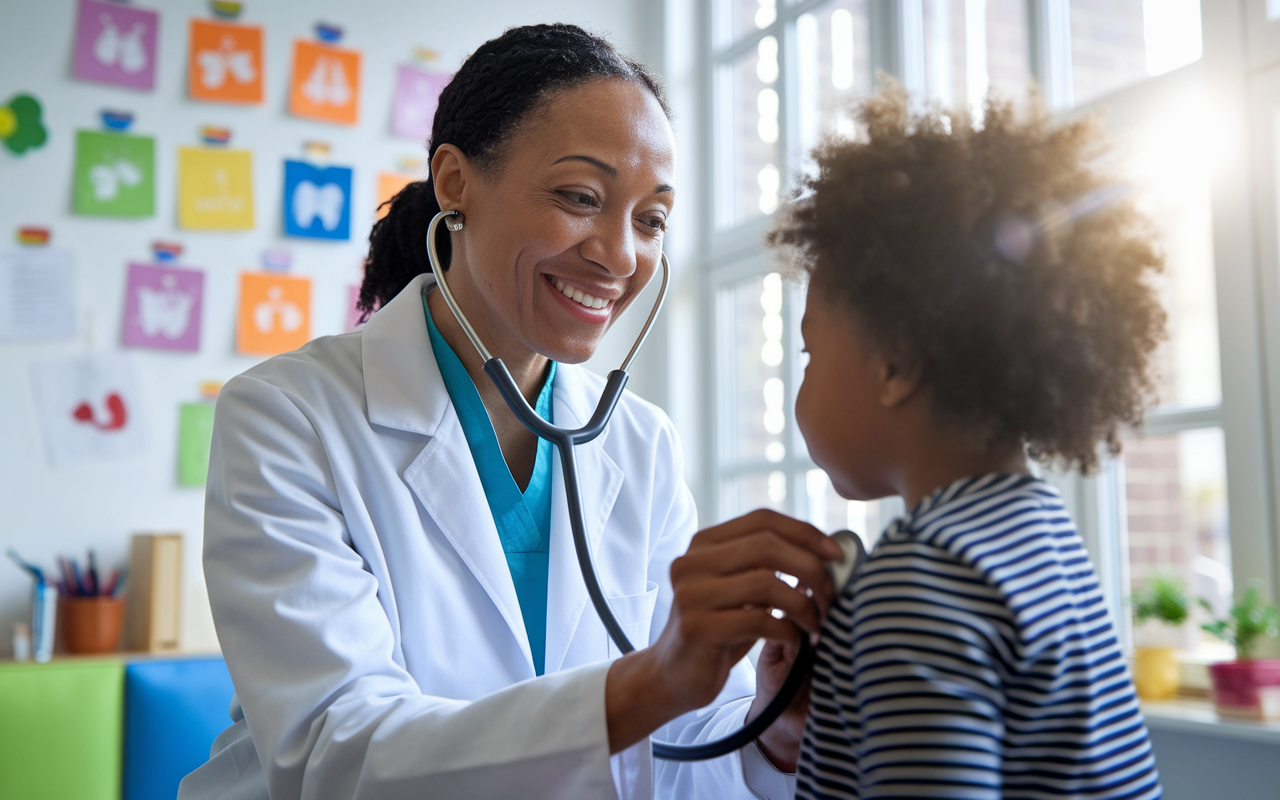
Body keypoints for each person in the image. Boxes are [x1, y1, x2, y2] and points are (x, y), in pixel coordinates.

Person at [178, 24, 839, 800]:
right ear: (455, 183)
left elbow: (675, 741)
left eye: (651, 220)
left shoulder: (640, 443)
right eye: (580, 198)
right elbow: (336, 751)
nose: (621, 256)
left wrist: (767, 727)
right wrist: (646, 685)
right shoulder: (288, 416)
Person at [769, 84, 1166, 799]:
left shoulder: (916, 579)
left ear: (894, 364)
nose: (804, 379)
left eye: (809, 353)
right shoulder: (1041, 536)